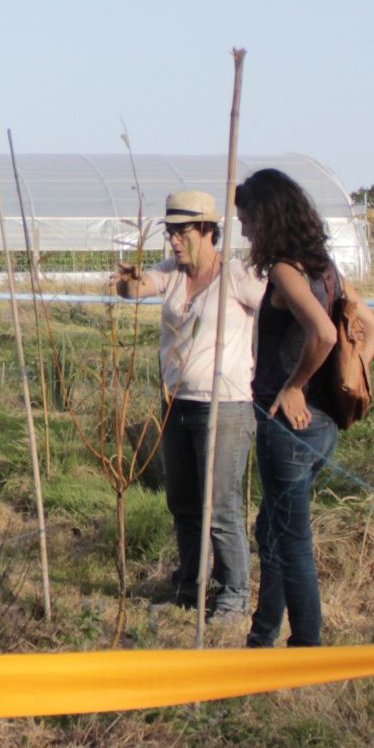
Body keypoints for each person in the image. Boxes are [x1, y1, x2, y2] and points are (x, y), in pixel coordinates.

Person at [236, 167, 374, 649]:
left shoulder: (284, 271)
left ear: (267, 216)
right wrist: (336, 381)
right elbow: (373, 333)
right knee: (271, 528)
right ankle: (261, 636)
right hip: (322, 429)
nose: (244, 230)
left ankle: (307, 649)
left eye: (247, 219)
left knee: (291, 541)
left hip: (289, 427)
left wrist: (297, 384)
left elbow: (324, 334)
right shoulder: (328, 271)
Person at [113, 189, 263, 621]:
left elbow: (277, 307)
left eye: (183, 233)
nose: (175, 241)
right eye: (171, 232)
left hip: (226, 407)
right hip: (176, 403)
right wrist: (126, 279)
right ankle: (191, 584)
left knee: (220, 505)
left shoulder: (237, 276)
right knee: (182, 500)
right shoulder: (172, 273)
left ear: (208, 232)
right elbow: (133, 289)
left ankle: (234, 594)